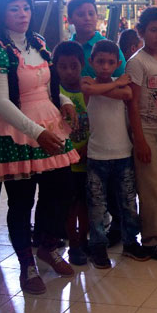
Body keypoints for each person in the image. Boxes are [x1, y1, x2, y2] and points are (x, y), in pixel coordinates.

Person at [0, 0, 80, 295]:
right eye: (14, 9)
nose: (22, 13)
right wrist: (37, 133)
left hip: (49, 125)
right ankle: (26, 265)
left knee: (60, 191)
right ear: (0, 13)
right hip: (15, 133)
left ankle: (47, 247)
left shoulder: (37, 42)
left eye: (25, 7)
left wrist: (64, 102)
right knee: (21, 203)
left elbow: (45, 85)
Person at [82, 39, 146, 267]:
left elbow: (127, 95)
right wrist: (115, 82)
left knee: (129, 202)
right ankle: (98, 246)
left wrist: (112, 85)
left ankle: (130, 242)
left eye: (111, 63)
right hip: (96, 157)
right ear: (91, 62)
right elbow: (89, 89)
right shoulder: (87, 83)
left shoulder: (120, 88)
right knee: (97, 205)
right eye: (100, 62)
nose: (106, 67)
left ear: (117, 62)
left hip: (123, 155)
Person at [127, 7, 157, 261]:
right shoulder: (136, 62)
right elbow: (132, 104)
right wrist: (139, 140)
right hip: (144, 128)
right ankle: (151, 240)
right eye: (153, 30)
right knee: (151, 187)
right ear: (141, 32)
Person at [52, 41, 91, 266]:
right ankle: (73, 243)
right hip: (65, 160)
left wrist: (88, 148)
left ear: (82, 65)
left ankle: (84, 240)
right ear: (55, 67)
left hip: (87, 158)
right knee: (69, 204)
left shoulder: (89, 90)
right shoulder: (55, 93)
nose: (69, 71)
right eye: (63, 66)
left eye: (74, 66)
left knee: (85, 202)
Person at [68, 0, 127, 78]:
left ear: (97, 17)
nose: (87, 18)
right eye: (81, 15)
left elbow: (123, 79)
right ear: (70, 19)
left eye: (91, 14)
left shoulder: (111, 48)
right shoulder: (66, 49)